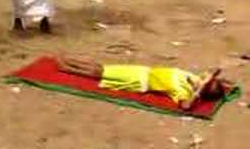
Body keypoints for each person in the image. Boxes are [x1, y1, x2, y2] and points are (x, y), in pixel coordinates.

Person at [56, 55, 232, 110]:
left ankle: (68, 69)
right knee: (102, 67)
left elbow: (186, 106)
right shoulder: (193, 78)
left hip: (140, 81)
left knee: (100, 73)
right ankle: (70, 61)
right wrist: (208, 80)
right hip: (143, 70)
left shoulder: (184, 92)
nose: (202, 77)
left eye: (203, 82)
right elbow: (215, 72)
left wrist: (198, 92)